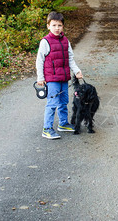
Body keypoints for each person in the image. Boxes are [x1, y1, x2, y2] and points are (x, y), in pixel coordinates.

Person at [36, 11, 83, 139]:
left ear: (63, 26)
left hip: (63, 78)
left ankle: (63, 124)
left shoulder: (65, 41)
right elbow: (39, 60)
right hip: (52, 79)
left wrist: (76, 71)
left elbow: (70, 58)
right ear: (48, 26)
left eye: (59, 25)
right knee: (52, 103)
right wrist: (40, 78)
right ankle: (47, 128)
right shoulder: (45, 42)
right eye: (54, 25)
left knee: (63, 102)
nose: (57, 28)